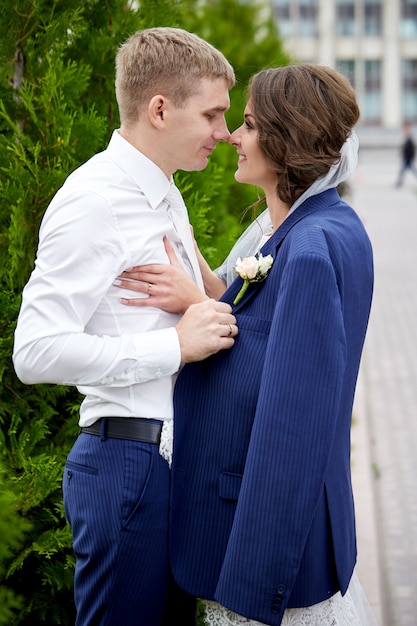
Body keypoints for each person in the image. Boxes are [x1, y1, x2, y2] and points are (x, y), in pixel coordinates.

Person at [116, 64, 376, 626]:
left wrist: (254, 589)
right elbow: (266, 335)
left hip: (260, 556)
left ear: (286, 142)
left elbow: (292, 426)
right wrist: (206, 296)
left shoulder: (306, 252)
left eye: (251, 125)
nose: (233, 135)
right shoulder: (317, 226)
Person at [12, 27, 238, 626]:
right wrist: (171, 347)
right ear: (159, 108)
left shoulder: (166, 193)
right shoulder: (95, 200)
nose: (225, 132)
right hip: (126, 467)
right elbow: (33, 352)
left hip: (171, 469)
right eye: (213, 114)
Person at [396, 121, 417, 187]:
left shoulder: (409, 138)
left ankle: (399, 182)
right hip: (406, 157)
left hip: (408, 157)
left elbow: (412, 149)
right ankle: (399, 182)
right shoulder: (406, 138)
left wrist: (413, 157)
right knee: (406, 170)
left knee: (404, 170)